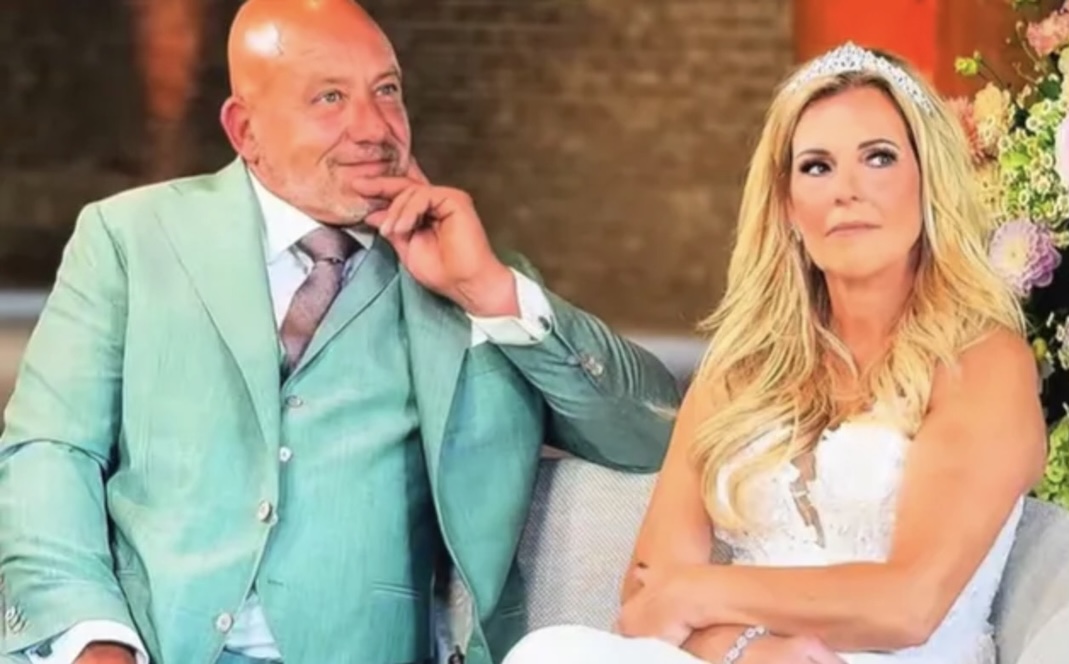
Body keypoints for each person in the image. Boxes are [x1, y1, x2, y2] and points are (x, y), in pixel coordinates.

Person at [0, 1, 680, 663]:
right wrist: (91, 639)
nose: (374, 128)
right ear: (245, 130)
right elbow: (47, 452)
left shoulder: (467, 273)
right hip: (152, 644)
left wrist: (490, 291)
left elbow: (654, 435)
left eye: (386, 91)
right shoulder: (129, 237)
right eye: (329, 98)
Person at [502, 43, 1047, 664]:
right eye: (816, 167)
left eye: (879, 158)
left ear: (928, 183)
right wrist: (750, 650)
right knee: (550, 651)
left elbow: (908, 605)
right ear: (788, 206)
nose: (847, 190)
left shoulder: (983, 362)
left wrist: (704, 591)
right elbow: (648, 607)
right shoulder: (739, 370)